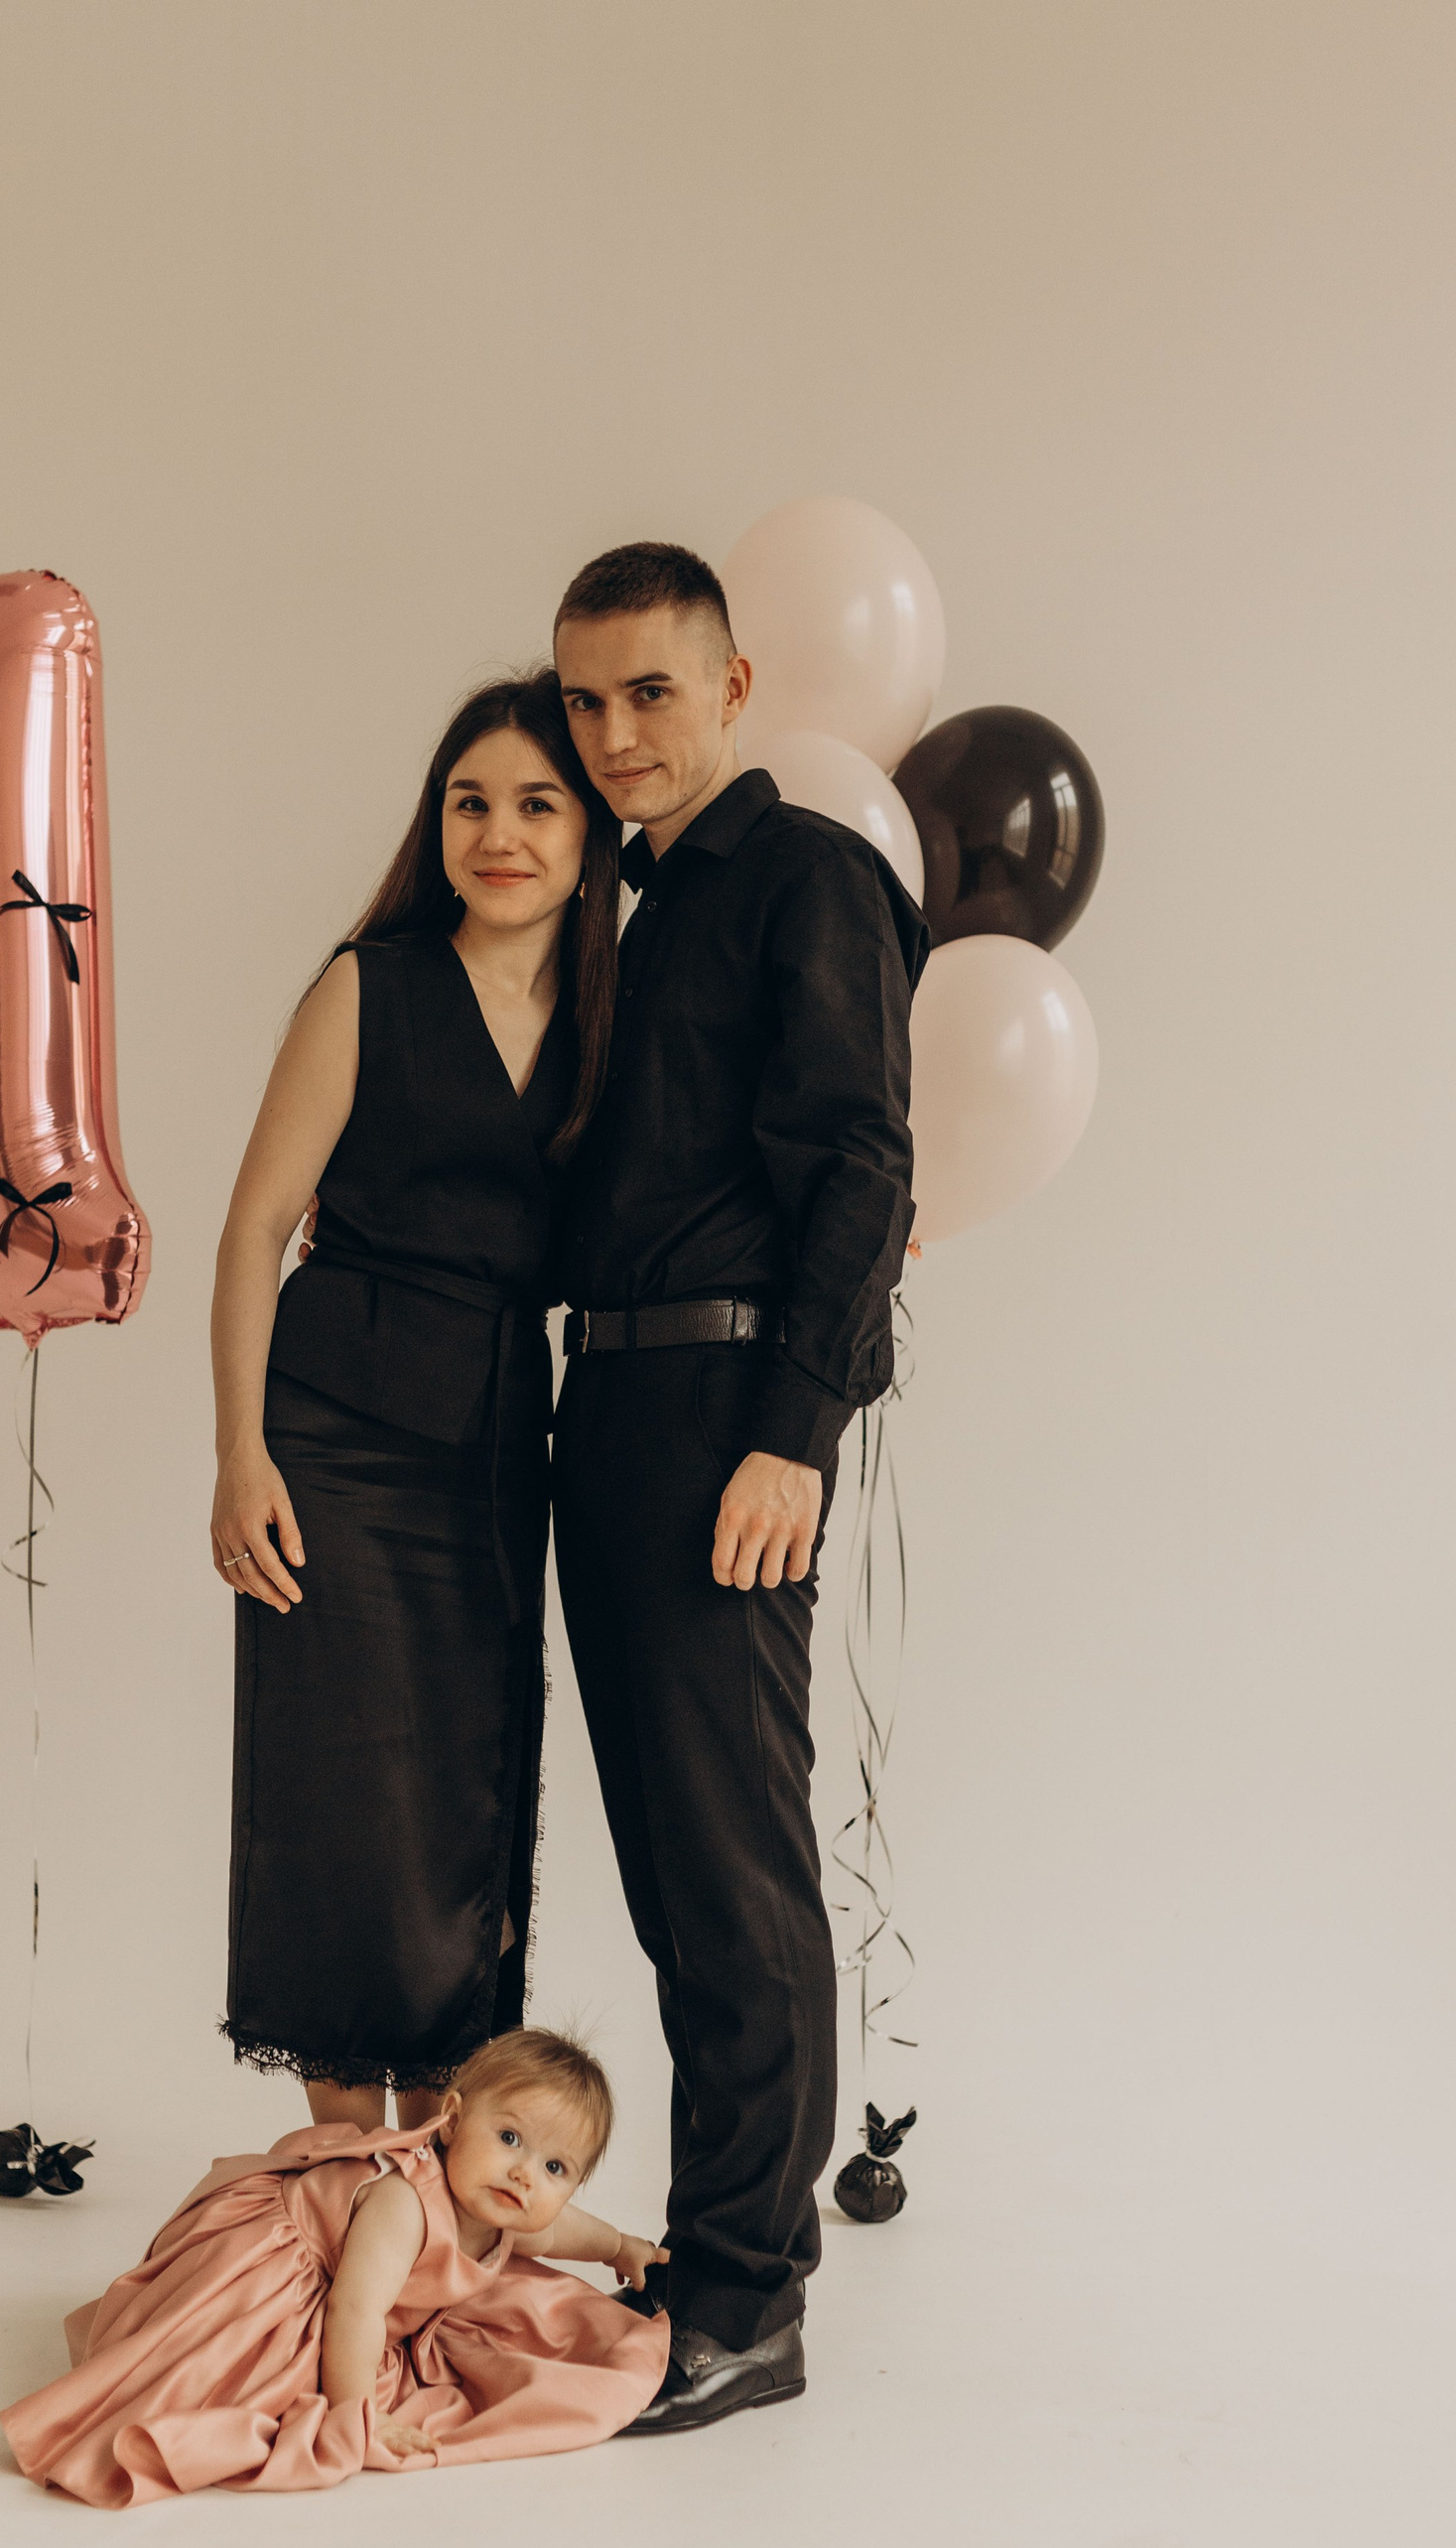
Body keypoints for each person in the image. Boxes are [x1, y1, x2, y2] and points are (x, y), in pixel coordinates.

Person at [550, 541, 931, 2434]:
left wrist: (794, 1429)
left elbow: (865, 1162)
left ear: (734, 688)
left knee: (736, 1868)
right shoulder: (619, 912)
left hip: (726, 1414)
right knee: (671, 1877)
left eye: (651, 691)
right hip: (607, 1410)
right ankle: (714, 2247)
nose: (616, 732)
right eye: (586, 698)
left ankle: (751, 2297)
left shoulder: (805, 878)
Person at [209, 674, 622, 2134]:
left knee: (464, 1798)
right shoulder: (368, 985)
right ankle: (342, 2160)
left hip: (501, 1451)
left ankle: (438, 2167)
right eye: (469, 802)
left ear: (589, 833)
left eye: (536, 804)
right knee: (338, 1798)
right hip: (334, 1441)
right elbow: (256, 1228)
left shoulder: (613, 1020)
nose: (498, 834)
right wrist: (240, 1453)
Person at [0, 2031, 670, 2500]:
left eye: (555, 2167)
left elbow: (560, 2232)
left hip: (356, 2286)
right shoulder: (405, 2204)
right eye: (509, 2137)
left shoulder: (507, 2207)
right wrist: (357, 2413)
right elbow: (355, 2310)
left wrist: (622, 2247)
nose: (525, 2173)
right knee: (240, 2377)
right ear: (451, 2121)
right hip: (284, 2270)